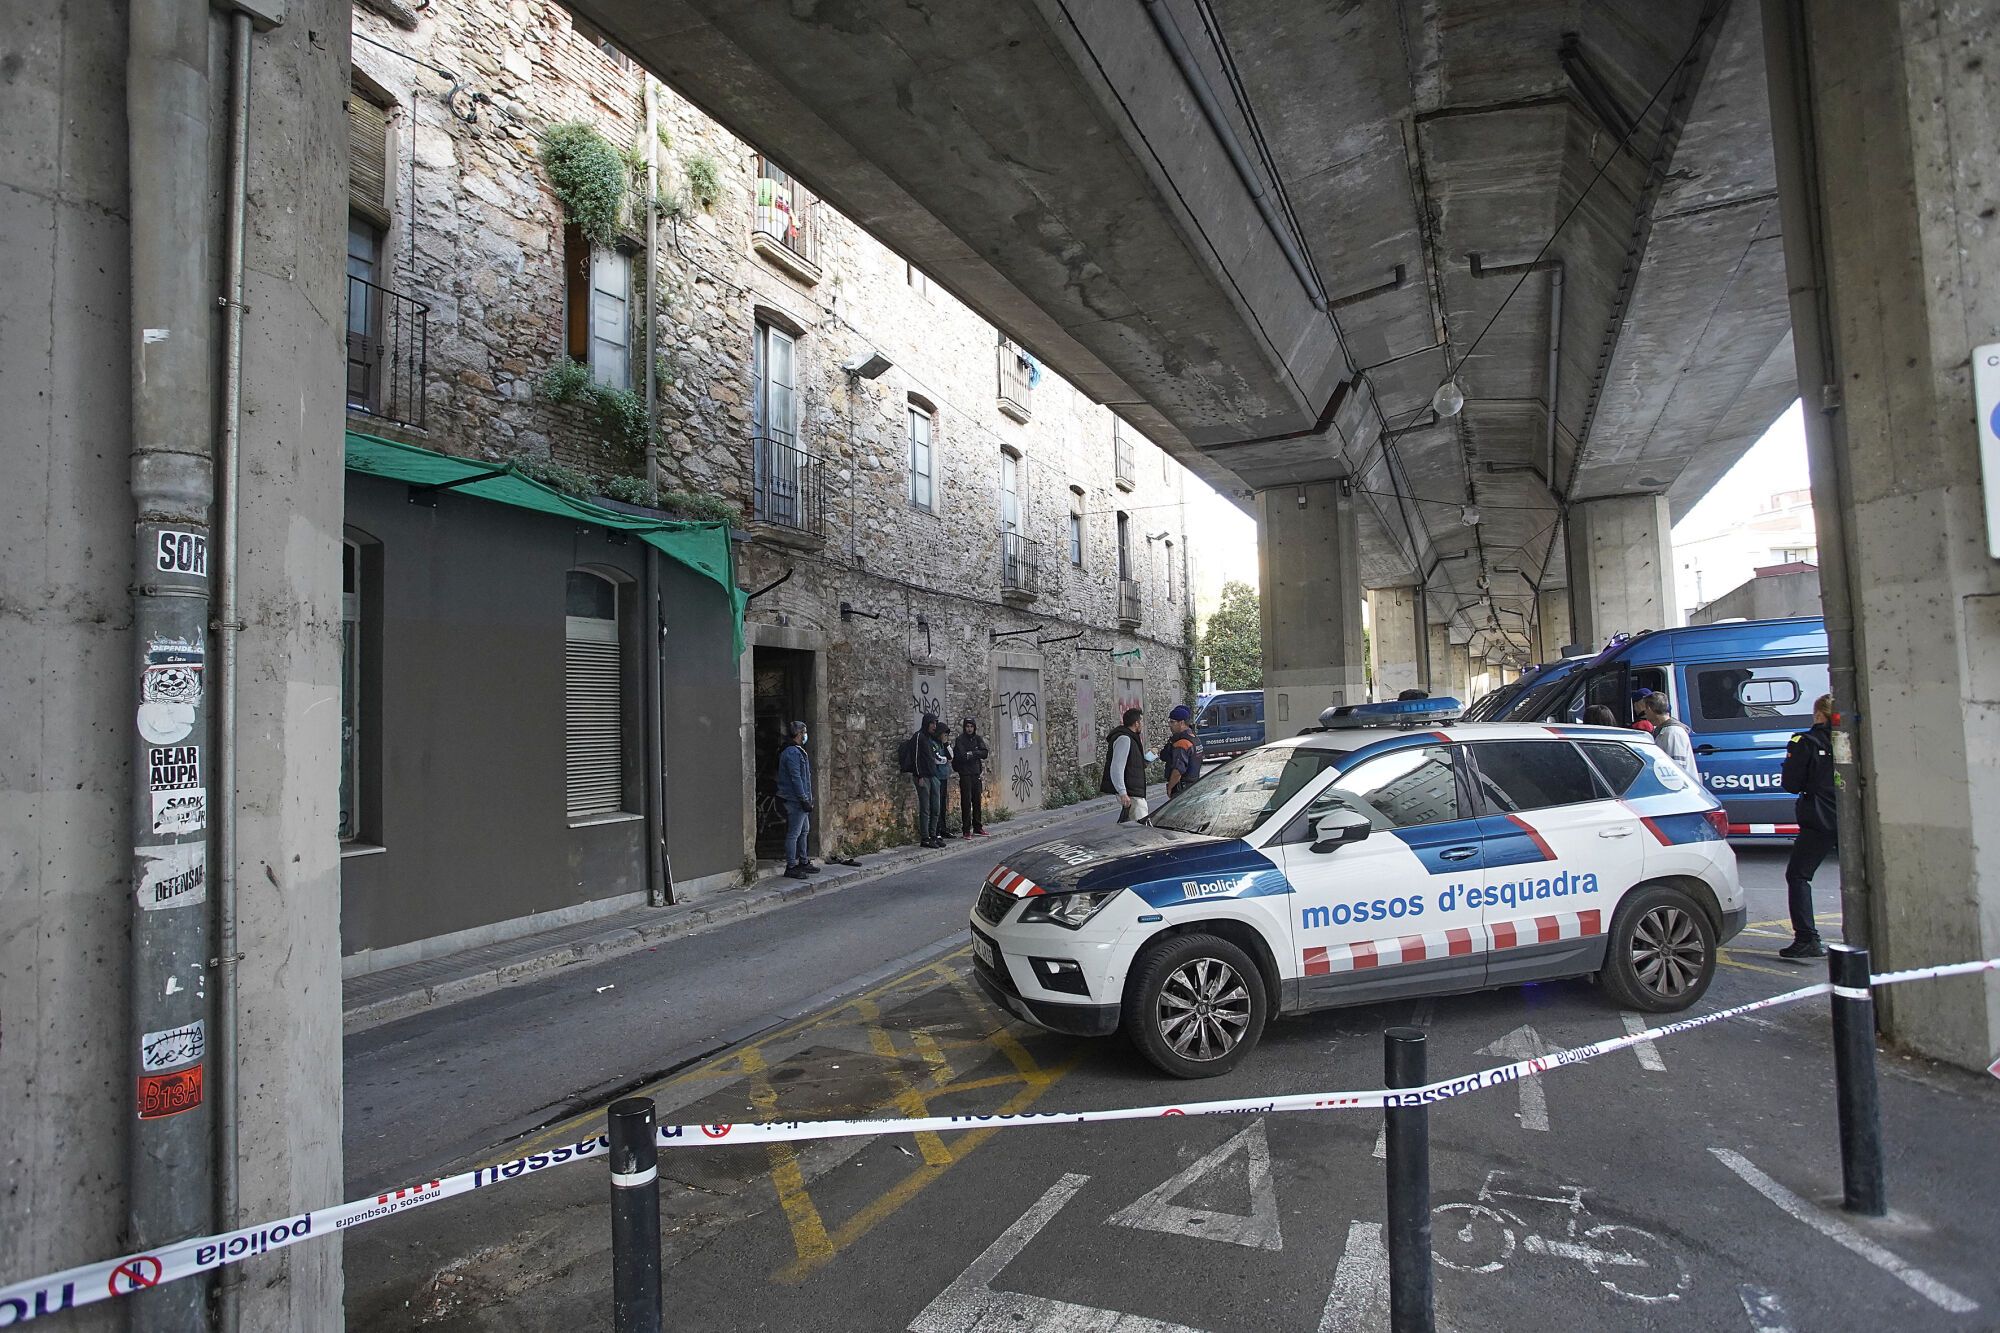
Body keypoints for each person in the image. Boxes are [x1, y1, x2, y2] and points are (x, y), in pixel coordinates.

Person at [1777, 694, 1838, 961]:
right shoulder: (1852, 738)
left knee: (1799, 875)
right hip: (1849, 816)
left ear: (1818, 715)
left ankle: (1807, 938)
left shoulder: (1805, 742)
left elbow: (1791, 783)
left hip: (1819, 816)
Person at [776, 720, 819, 879]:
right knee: (794, 833)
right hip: (795, 800)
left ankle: (803, 860)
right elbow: (796, 778)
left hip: (801, 799)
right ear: (799, 733)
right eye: (804, 732)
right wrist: (803, 799)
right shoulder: (792, 753)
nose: (805, 735)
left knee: (804, 830)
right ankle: (791, 865)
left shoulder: (796, 751)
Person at [1099, 707, 1149, 823]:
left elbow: (1132, 764)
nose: (1142, 724)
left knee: (1132, 825)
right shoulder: (1124, 739)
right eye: (1141, 721)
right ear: (1136, 723)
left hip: (1134, 791)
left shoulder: (1130, 738)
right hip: (1132, 792)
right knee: (1141, 827)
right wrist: (1122, 792)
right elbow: (1117, 767)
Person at [1639, 693, 1698, 780]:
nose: (1645, 714)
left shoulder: (1673, 733)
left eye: (1645, 710)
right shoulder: (1665, 731)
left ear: (1650, 709)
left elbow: (1677, 769)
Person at [953, 716, 991, 838]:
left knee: (977, 801)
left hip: (975, 773)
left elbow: (984, 753)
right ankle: (966, 830)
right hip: (965, 774)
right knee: (966, 801)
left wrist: (973, 753)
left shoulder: (977, 739)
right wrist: (973, 753)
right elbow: (962, 755)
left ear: (974, 728)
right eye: (967, 726)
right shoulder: (960, 740)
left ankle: (978, 827)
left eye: (971, 726)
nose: (969, 729)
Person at [919, 715, 954, 847]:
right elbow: (937, 759)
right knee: (929, 807)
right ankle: (929, 835)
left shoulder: (941, 743)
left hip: (940, 776)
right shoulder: (927, 741)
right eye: (932, 723)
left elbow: (950, 756)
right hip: (932, 776)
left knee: (939, 807)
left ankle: (937, 832)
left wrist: (946, 744)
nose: (934, 726)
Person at [1163, 704, 1202, 799]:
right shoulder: (1194, 738)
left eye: (1172, 722)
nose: (1170, 725)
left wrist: (1170, 787)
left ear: (1181, 723)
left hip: (1182, 788)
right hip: (1193, 785)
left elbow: (1178, 770)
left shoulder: (1182, 743)